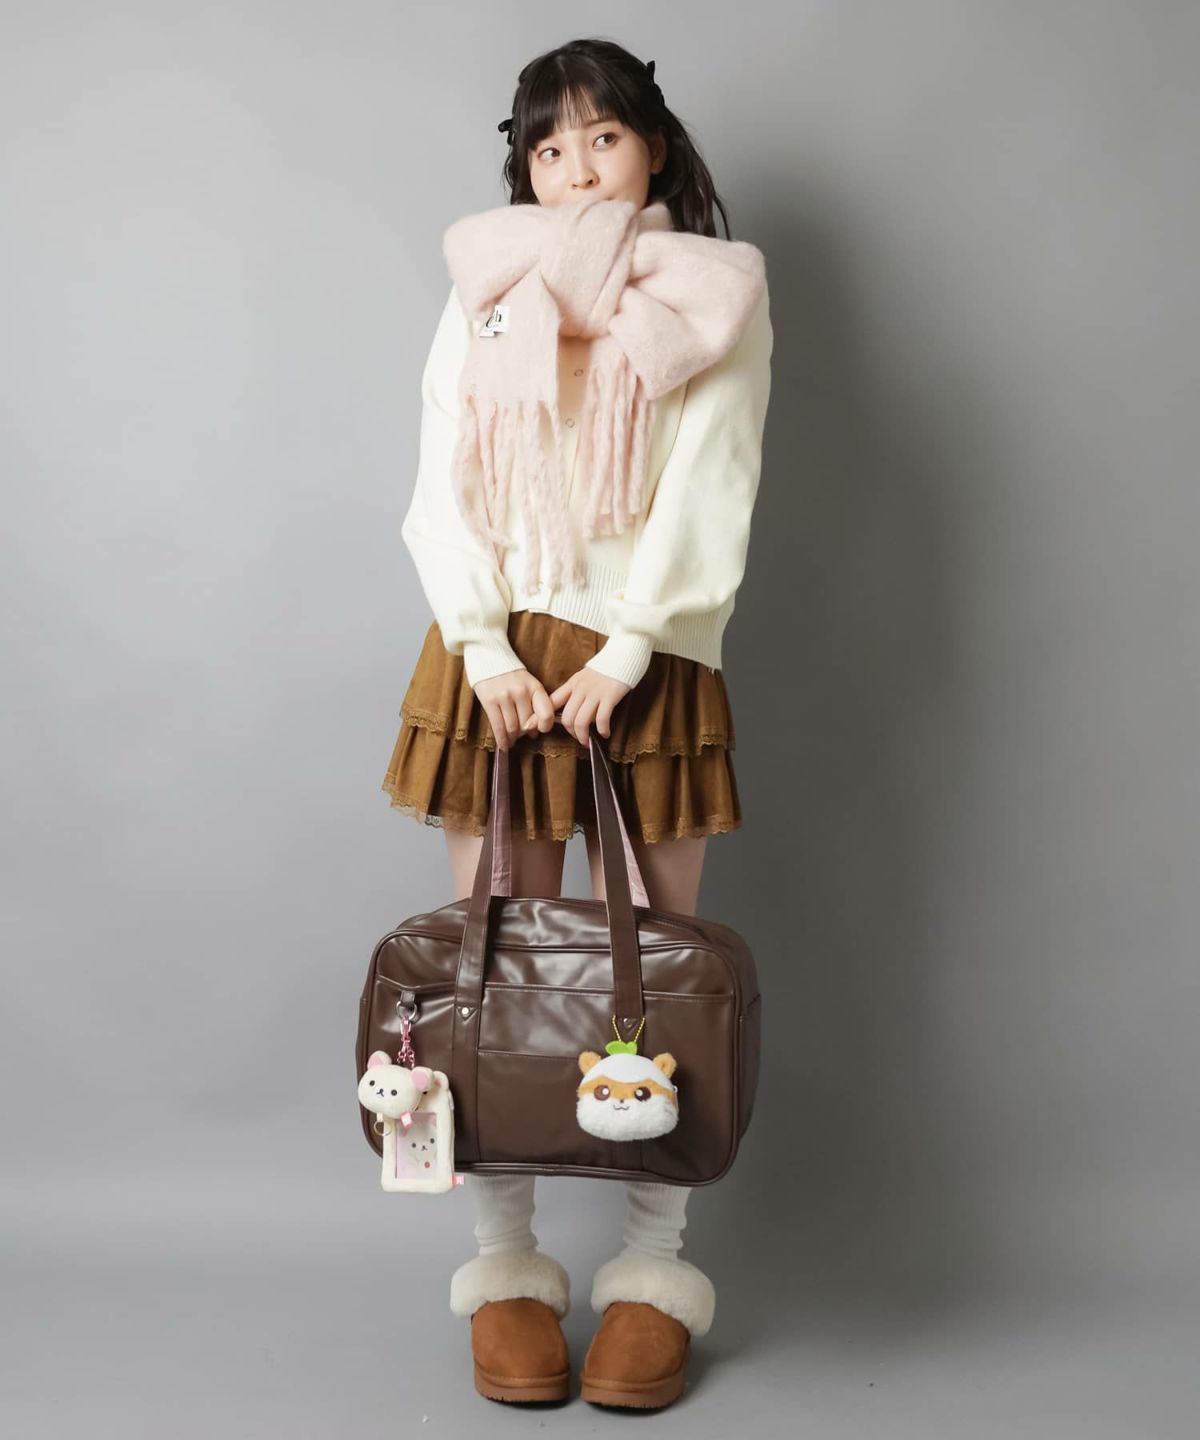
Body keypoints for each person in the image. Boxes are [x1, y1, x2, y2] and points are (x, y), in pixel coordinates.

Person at [380, 36, 773, 1410]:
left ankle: (654, 1272)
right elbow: (441, 475)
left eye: (603, 137)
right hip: (492, 657)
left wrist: (632, 645)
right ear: (526, 170)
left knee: (648, 968)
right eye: (549, 148)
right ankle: (506, 1267)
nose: (578, 168)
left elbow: (715, 477)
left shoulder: (715, 290)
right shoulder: (486, 289)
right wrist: (483, 642)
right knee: (492, 968)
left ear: (653, 147)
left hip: (643, 654)